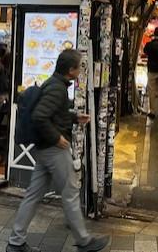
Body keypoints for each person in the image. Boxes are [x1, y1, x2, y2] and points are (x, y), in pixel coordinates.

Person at [7, 49, 110, 252]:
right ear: (71, 70)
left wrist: (74, 117)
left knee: (33, 195)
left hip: (44, 149)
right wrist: (57, 137)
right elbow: (40, 116)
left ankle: (15, 242)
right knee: (70, 192)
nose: (81, 70)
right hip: (54, 150)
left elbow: (53, 114)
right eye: (79, 67)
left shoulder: (54, 83)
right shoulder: (57, 89)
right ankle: (84, 241)